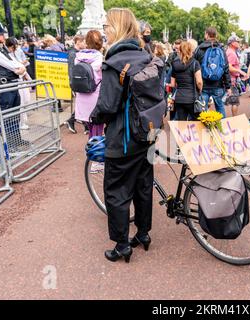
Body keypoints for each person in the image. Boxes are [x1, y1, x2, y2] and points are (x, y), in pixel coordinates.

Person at [91, 8, 156, 263]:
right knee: (143, 186)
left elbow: (107, 106)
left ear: (116, 28)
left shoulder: (114, 62)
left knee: (117, 191)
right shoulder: (146, 56)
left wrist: (93, 118)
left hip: (123, 136)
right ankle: (142, 234)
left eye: (107, 25)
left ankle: (121, 245)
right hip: (147, 133)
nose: (105, 29)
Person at [0, 19, 29, 151]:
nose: (4, 36)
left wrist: (20, 68)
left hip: (10, 86)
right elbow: (12, 65)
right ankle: (9, 145)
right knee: (7, 117)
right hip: (3, 87)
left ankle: (16, 140)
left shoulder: (0, 48)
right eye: (1, 34)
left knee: (14, 115)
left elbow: (17, 63)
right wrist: (19, 68)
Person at [194, 27, 232, 118]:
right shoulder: (221, 49)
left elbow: (195, 67)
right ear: (216, 35)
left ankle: (205, 129)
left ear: (207, 34)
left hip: (203, 85)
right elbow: (226, 68)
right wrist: (228, 86)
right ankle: (222, 128)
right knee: (220, 107)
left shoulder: (200, 48)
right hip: (218, 84)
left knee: (203, 109)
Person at [74, 30, 104, 141]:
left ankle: (92, 148)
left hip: (82, 96)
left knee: (90, 126)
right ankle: (95, 151)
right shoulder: (100, 58)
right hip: (95, 96)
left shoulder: (78, 57)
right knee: (98, 126)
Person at [170, 40, 203, 121]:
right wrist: (200, 90)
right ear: (190, 50)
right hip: (192, 98)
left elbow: (172, 84)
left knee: (182, 124)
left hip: (179, 98)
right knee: (197, 123)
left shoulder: (174, 64)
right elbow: (199, 81)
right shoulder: (195, 63)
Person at [5, 37, 32, 131]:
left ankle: (22, 121)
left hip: (22, 79)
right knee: (21, 102)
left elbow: (24, 65)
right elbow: (15, 68)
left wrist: (24, 71)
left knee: (27, 100)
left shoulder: (18, 51)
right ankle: (21, 122)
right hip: (16, 80)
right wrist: (20, 66)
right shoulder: (6, 54)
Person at [65, 34, 86, 134]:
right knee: (82, 104)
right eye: (84, 42)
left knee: (83, 103)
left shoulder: (77, 52)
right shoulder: (73, 53)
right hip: (76, 82)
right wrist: (73, 84)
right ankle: (72, 121)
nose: (85, 44)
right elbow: (71, 70)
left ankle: (85, 125)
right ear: (78, 42)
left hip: (79, 82)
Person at [225, 35, 248, 117]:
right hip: (232, 80)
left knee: (230, 101)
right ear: (232, 43)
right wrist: (240, 71)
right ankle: (234, 120)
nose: (239, 43)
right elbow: (229, 67)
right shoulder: (231, 53)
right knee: (235, 102)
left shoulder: (230, 52)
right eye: (237, 41)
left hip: (231, 79)